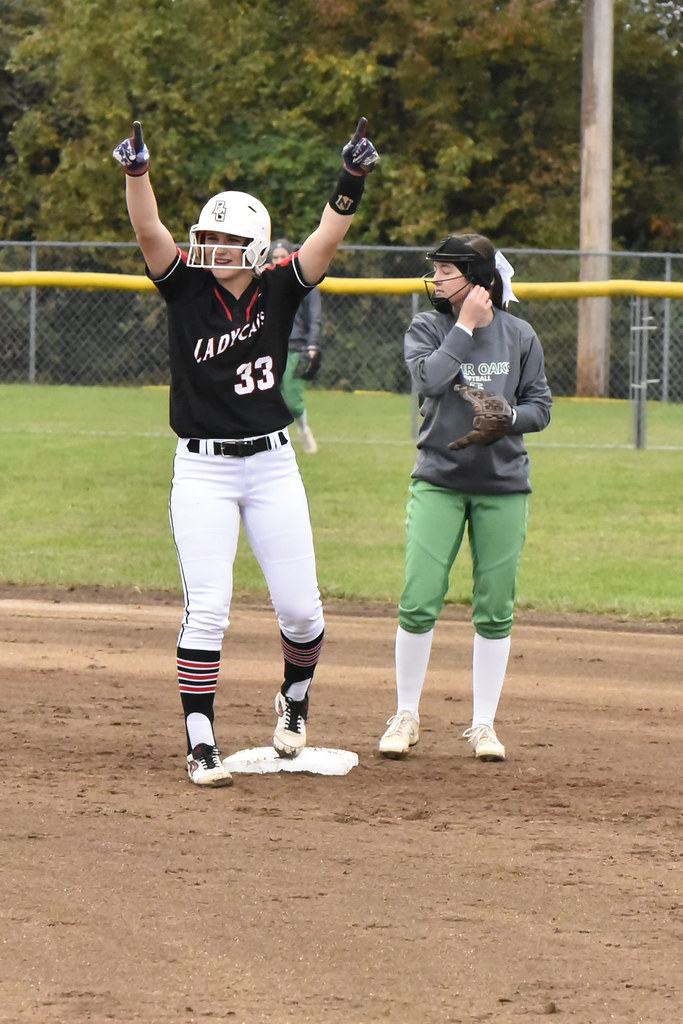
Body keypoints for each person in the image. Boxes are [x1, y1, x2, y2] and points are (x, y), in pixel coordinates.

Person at [113, 117, 379, 787]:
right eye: (208, 237)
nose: (212, 247)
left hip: (271, 465)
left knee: (303, 612)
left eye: (227, 240)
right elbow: (148, 230)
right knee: (207, 608)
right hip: (202, 468)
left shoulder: (280, 286)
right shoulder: (186, 287)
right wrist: (137, 174)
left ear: (255, 246)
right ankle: (200, 742)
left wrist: (350, 177)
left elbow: (328, 236)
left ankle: (294, 699)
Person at [378, 234, 552, 762]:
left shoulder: (520, 335)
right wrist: (465, 326)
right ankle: (405, 715)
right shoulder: (428, 327)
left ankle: (483, 725)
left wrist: (510, 417)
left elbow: (540, 406)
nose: (436, 278)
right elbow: (430, 381)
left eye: (446, 270)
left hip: (503, 484)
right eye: (436, 270)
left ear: (477, 279)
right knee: (419, 597)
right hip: (439, 479)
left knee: (495, 608)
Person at [268, 238, 323, 454]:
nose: (279, 261)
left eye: (283, 257)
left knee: (292, 399)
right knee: (267, 397)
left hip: (296, 346)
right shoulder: (265, 280)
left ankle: (303, 429)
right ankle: (274, 439)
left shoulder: (305, 281)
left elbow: (314, 316)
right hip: (269, 346)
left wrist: (312, 345)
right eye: (275, 257)